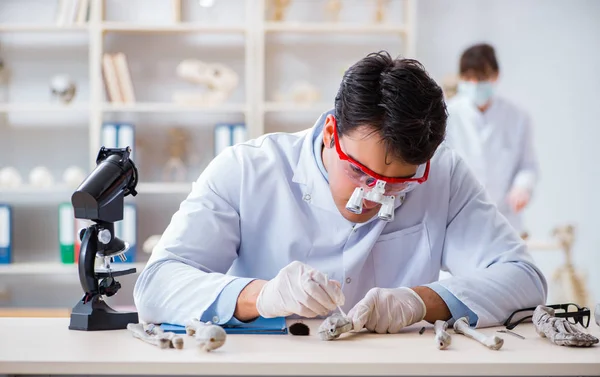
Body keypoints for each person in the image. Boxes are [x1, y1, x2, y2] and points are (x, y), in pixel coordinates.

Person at [134, 51, 546, 333]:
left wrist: (422, 301)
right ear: (331, 134)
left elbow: (524, 279)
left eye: (398, 184)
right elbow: (155, 286)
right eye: (360, 173)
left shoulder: (443, 175)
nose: (373, 197)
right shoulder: (247, 170)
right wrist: (260, 296)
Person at [444, 43, 539, 236]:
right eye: (468, 78)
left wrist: (521, 187)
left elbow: (528, 166)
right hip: (459, 217)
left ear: (495, 76)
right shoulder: (447, 115)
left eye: (480, 78)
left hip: (505, 218)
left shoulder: (517, 117)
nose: (474, 84)